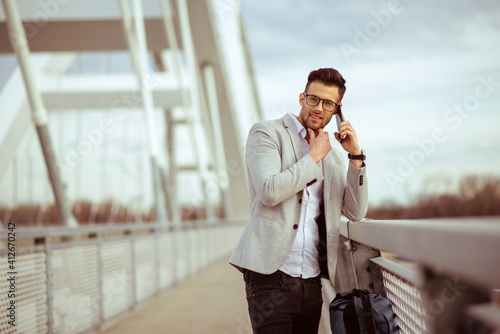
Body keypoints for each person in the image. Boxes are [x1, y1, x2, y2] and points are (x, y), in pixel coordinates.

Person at [229, 68, 368, 333]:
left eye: (328, 103)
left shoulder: (335, 157)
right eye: (314, 99)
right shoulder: (267, 133)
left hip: (312, 280)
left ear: (337, 110)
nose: (319, 108)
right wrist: (313, 157)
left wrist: (356, 158)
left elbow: (355, 211)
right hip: (270, 278)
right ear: (302, 98)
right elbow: (269, 191)